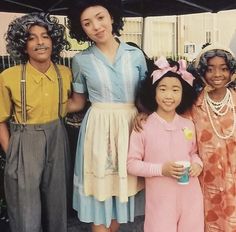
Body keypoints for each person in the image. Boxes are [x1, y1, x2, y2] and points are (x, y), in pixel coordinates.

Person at [66, 0, 147, 231]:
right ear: (81, 29)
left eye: (100, 17)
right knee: (100, 197)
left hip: (129, 128)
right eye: (87, 23)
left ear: (112, 17)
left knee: (118, 195)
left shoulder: (135, 55)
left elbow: (145, 96)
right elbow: (78, 101)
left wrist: (145, 113)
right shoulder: (81, 60)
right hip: (98, 129)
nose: (96, 26)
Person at [0, 12, 72, 232]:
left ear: (54, 40)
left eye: (45, 36)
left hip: (57, 137)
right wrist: (12, 150)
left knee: (57, 204)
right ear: (23, 44)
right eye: (31, 38)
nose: (40, 42)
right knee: (25, 210)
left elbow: (75, 103)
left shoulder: (65, 73)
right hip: (23, 141)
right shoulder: (9, 76)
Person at [127, 57, 204, 232]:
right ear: (153, 92)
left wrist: (197, 164)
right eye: (163, 89)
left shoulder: (187, 124)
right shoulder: (143, 126)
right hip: (160, 203)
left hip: (191, 198)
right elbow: (131, 164)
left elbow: (193, 153)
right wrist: (161, 170)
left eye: (175, 89)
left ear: (183, 93)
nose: (169, 95)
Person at [190, 45, 236, 232]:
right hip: (208, 180)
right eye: (210, 69)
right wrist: (143, 113)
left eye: (224, 68)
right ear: (202, 71)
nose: (217, 74)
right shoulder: (194, 104)